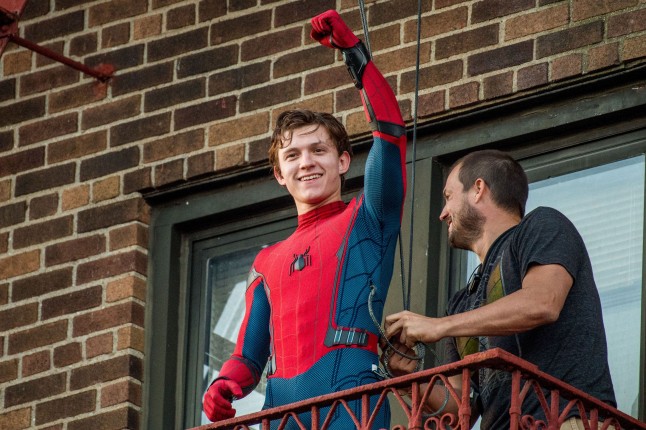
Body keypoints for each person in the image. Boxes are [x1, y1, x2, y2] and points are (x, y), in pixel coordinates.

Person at [202, 9, 407, 429]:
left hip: (352, 403)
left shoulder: (367, 217)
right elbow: (248, 357)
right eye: (292, 155)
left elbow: (390, 133)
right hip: (281, 414)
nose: (306, 162)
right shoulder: (266, 261)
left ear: (343, 161)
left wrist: (355, 54)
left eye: (319, 150)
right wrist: (222, 384)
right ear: (280, 174)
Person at [384, 149, 616, 430]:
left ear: (478, 189)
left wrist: (439, 326)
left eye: (448, 197)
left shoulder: (542, 225)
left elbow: (543, 301)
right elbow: (459, 407)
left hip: (566, 421)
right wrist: (409, 379)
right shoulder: (461, 302)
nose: (442, 213)